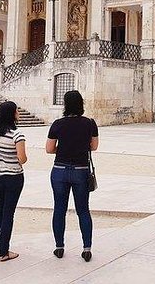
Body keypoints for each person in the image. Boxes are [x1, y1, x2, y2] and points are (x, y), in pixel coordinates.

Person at [46, 90, 98, 262]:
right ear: (81, 104)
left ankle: (59, 247)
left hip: (60, 169)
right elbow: (94, 146)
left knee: (59, 209)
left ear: (65, 104)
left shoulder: (58, 124)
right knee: (83, 210)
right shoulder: (90, 123)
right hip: (81, 170)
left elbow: (49, 149)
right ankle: (86, 248)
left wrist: (64, 148)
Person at [0, 101, 27, 262]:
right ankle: (4, 251)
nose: (19, 113)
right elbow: (22, 159)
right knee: (8, 213)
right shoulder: (17, 134)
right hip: (13, 177)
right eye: (17, 111)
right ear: (12, 114)